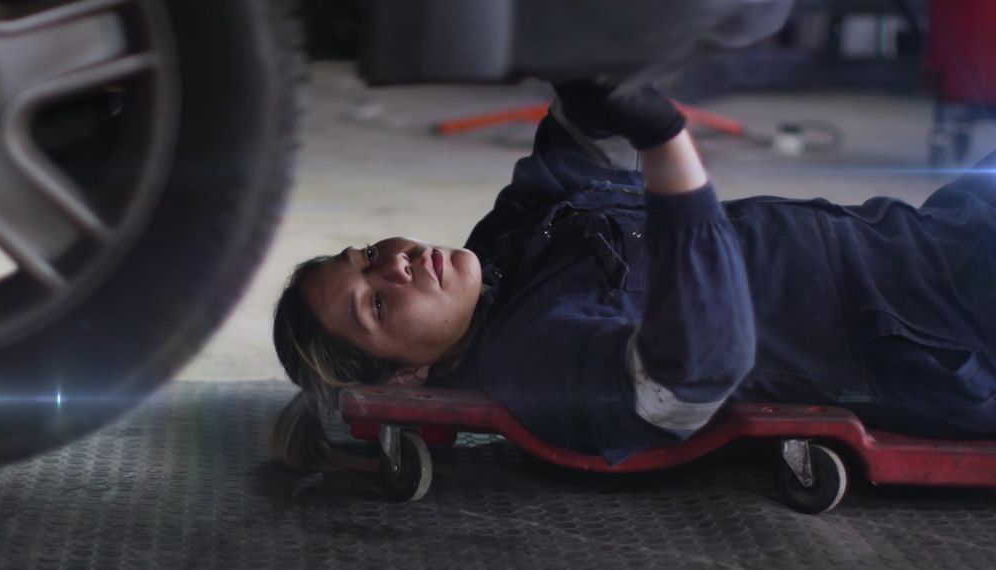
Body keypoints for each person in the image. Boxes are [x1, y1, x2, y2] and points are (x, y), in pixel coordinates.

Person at [270, 80, 996, 471]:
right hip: (946, 326)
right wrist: (667, 145)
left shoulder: (503, 250)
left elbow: (580, 136)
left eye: (368, 255)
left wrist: (591, 64)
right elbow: (694, 375)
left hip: (936, 233)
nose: (395, 265)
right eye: (375, 304)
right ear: (407, 379)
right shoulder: (534, 359)